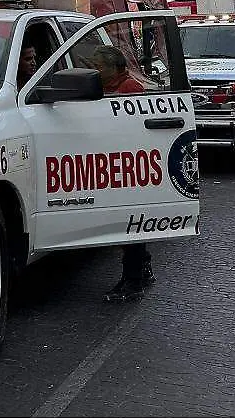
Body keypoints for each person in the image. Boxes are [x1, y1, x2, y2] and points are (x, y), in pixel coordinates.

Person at [85, 45, 152, 301]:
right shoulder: (104, 88)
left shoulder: (129, 90)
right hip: (109, 163)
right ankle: (142, 269)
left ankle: (133, 280)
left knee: (129, 226)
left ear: (118, 69)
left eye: (99, 66)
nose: (94, 71)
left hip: (125, 167)